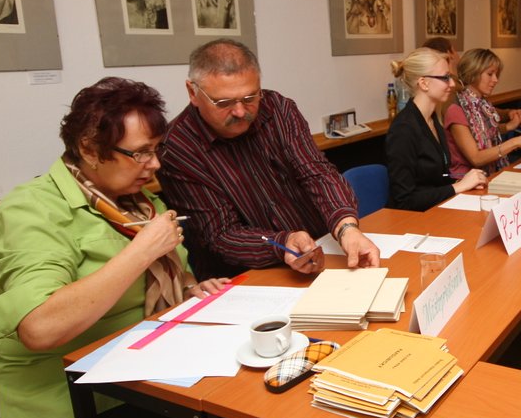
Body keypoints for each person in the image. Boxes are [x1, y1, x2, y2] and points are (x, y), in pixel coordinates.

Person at [0, 77, 229, 418]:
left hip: (135, 364)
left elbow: (170, 276)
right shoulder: (30, 212)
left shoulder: (135, 201)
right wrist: (141, 252)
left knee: (228, 416)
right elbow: (40, 328)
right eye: (140, 153)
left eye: (157, 149)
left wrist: (189, 290)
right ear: (91, 150)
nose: (155, 165)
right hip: (51, 392)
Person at [158, 39, 380, 279]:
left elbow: (316, 172)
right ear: (193, 92)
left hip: (320, 247)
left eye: (250, 98)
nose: (240, 111)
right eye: (224, 102)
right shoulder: (177, 148)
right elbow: (221, 233)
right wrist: (283, 243)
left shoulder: (277, 108)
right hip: (247, 274)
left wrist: (346, 227)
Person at [386, 48, 488, 210]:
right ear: (424, 83)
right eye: (445, 78)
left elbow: (438, 177)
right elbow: (404, 200)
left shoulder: (433, 119)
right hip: (411, 219)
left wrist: (462, 181)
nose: (452, 84)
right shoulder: (403, 129)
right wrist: (458, 187)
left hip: (435, 209)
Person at [444, 48, 521, 177]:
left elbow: (486, 131)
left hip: (488, 174)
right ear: (473, 73)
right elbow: (476, 158)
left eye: (496, 75)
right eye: (490, 74)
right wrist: (515, 142)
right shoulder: (456, 109)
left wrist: (509, 120)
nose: (495, 80)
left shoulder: (482, 104)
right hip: (465, 179)